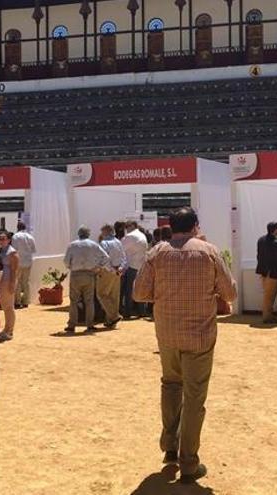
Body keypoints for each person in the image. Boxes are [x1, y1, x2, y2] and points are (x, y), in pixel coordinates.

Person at [133, 207, 237, 485]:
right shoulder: (209, 251)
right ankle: (189, 462)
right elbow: (230, 293)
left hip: (166, 335)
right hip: (199, 337)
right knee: (194, 397)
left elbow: (139, 292)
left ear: (170, 226)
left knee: (170, 385)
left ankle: (170, 446)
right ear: (195, 226)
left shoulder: (157, 253)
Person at [63, 225, 110, 333]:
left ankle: (72, 325)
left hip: (76, 274)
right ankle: (89, 325)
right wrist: (98, 267)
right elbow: (106, 257)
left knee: (73, 301)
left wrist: (71, 267)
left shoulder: (72, 245)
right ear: (88, 234)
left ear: (79, 234)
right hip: (89, 274)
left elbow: (66, 261)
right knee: (89, 301)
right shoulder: (93, 245)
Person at [255, 222, 277, 324]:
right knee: (270, 295)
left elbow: (258, 255)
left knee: (267, 294)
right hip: (272, 273)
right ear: (275, 230)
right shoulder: (275, 243)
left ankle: (268, 315)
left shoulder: (260, 240)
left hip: (263, 271)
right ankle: (267, 316)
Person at [98, 224, 126, 329]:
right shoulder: (118, 242)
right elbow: (124, 257)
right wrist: (120, 268)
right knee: (114, 296)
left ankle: (114, 316)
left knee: (102, 294)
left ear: (106, 232)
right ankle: (111, 322)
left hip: (108, 271)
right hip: (118, 271)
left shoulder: (103, 243)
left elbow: (104, 259)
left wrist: (112, 269)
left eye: (102, 231)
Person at [0, 230, 20, 342]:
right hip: (0, 281)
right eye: (0, 238)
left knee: (8, 307)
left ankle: (9, 330)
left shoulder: (12, 252)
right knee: (5, 306)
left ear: (9, 240)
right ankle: (6, 329)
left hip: (7, 281)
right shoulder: (0, 250)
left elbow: (14, 270)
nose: (1, 240)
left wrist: (12, 283)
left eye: (3, 238)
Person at [121, 220, 148, 318]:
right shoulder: (142, 235)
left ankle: (128, 312)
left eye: (127, 226)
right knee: (140, 289)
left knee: (129, 291)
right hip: (141, 266)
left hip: (131, 266)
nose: (126, 229)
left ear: (132, 226)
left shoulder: (130, 236)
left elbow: (120, 248)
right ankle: (142, 311)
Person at [11, 221, 36, 309]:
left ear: (17, 227)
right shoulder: (30, 237)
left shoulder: (15, 236)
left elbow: (13, 250)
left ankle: (17, 301)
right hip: (28, 261)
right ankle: (26, 301)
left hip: (18, 262)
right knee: (26, 282)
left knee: (17, 282)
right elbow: (33, 250)